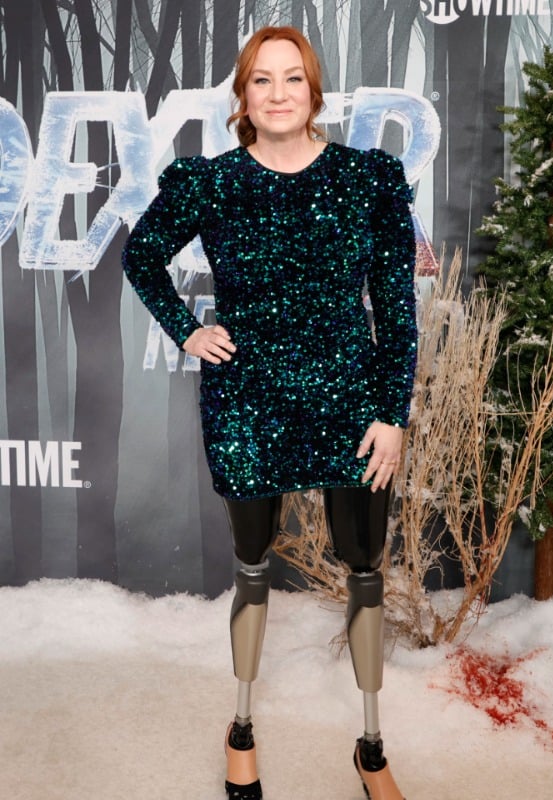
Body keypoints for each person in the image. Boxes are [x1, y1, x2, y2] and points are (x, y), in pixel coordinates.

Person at [121, 26, 416, 800]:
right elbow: (140, 256)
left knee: (365, 569)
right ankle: (242, 726)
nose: (279, 93)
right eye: (262, 80)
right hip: (247, 400)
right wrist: (186, 329)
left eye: (293, 79)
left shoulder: (369, 180)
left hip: (351, 399)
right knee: (252, 566)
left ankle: (373, 746)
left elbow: (394, 304)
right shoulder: (209, 182)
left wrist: (394, 412)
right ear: (242, 98)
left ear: (314, 91)